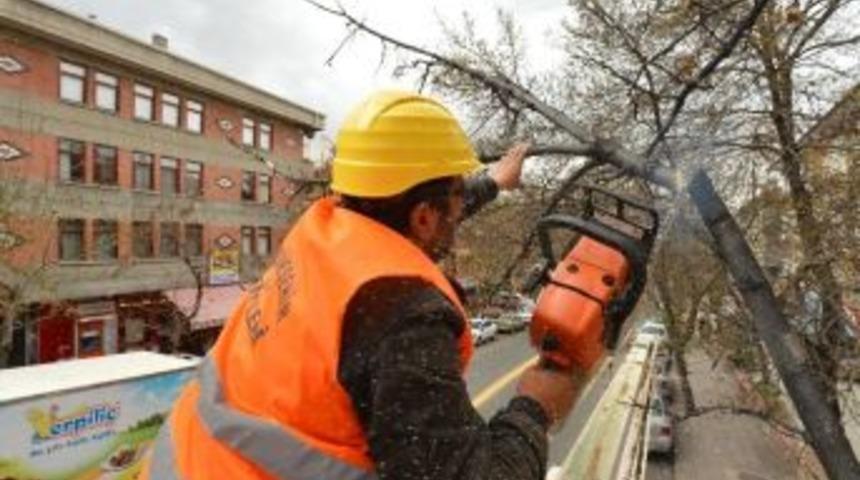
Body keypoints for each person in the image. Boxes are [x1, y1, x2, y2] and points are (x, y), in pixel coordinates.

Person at [140, 90, 578, 480]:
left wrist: (494, 182)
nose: (462, 203)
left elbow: (409, 217)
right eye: (458, 195)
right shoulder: (406, 319)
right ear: (424, 216)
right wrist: (534, 409)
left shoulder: (325, 231)